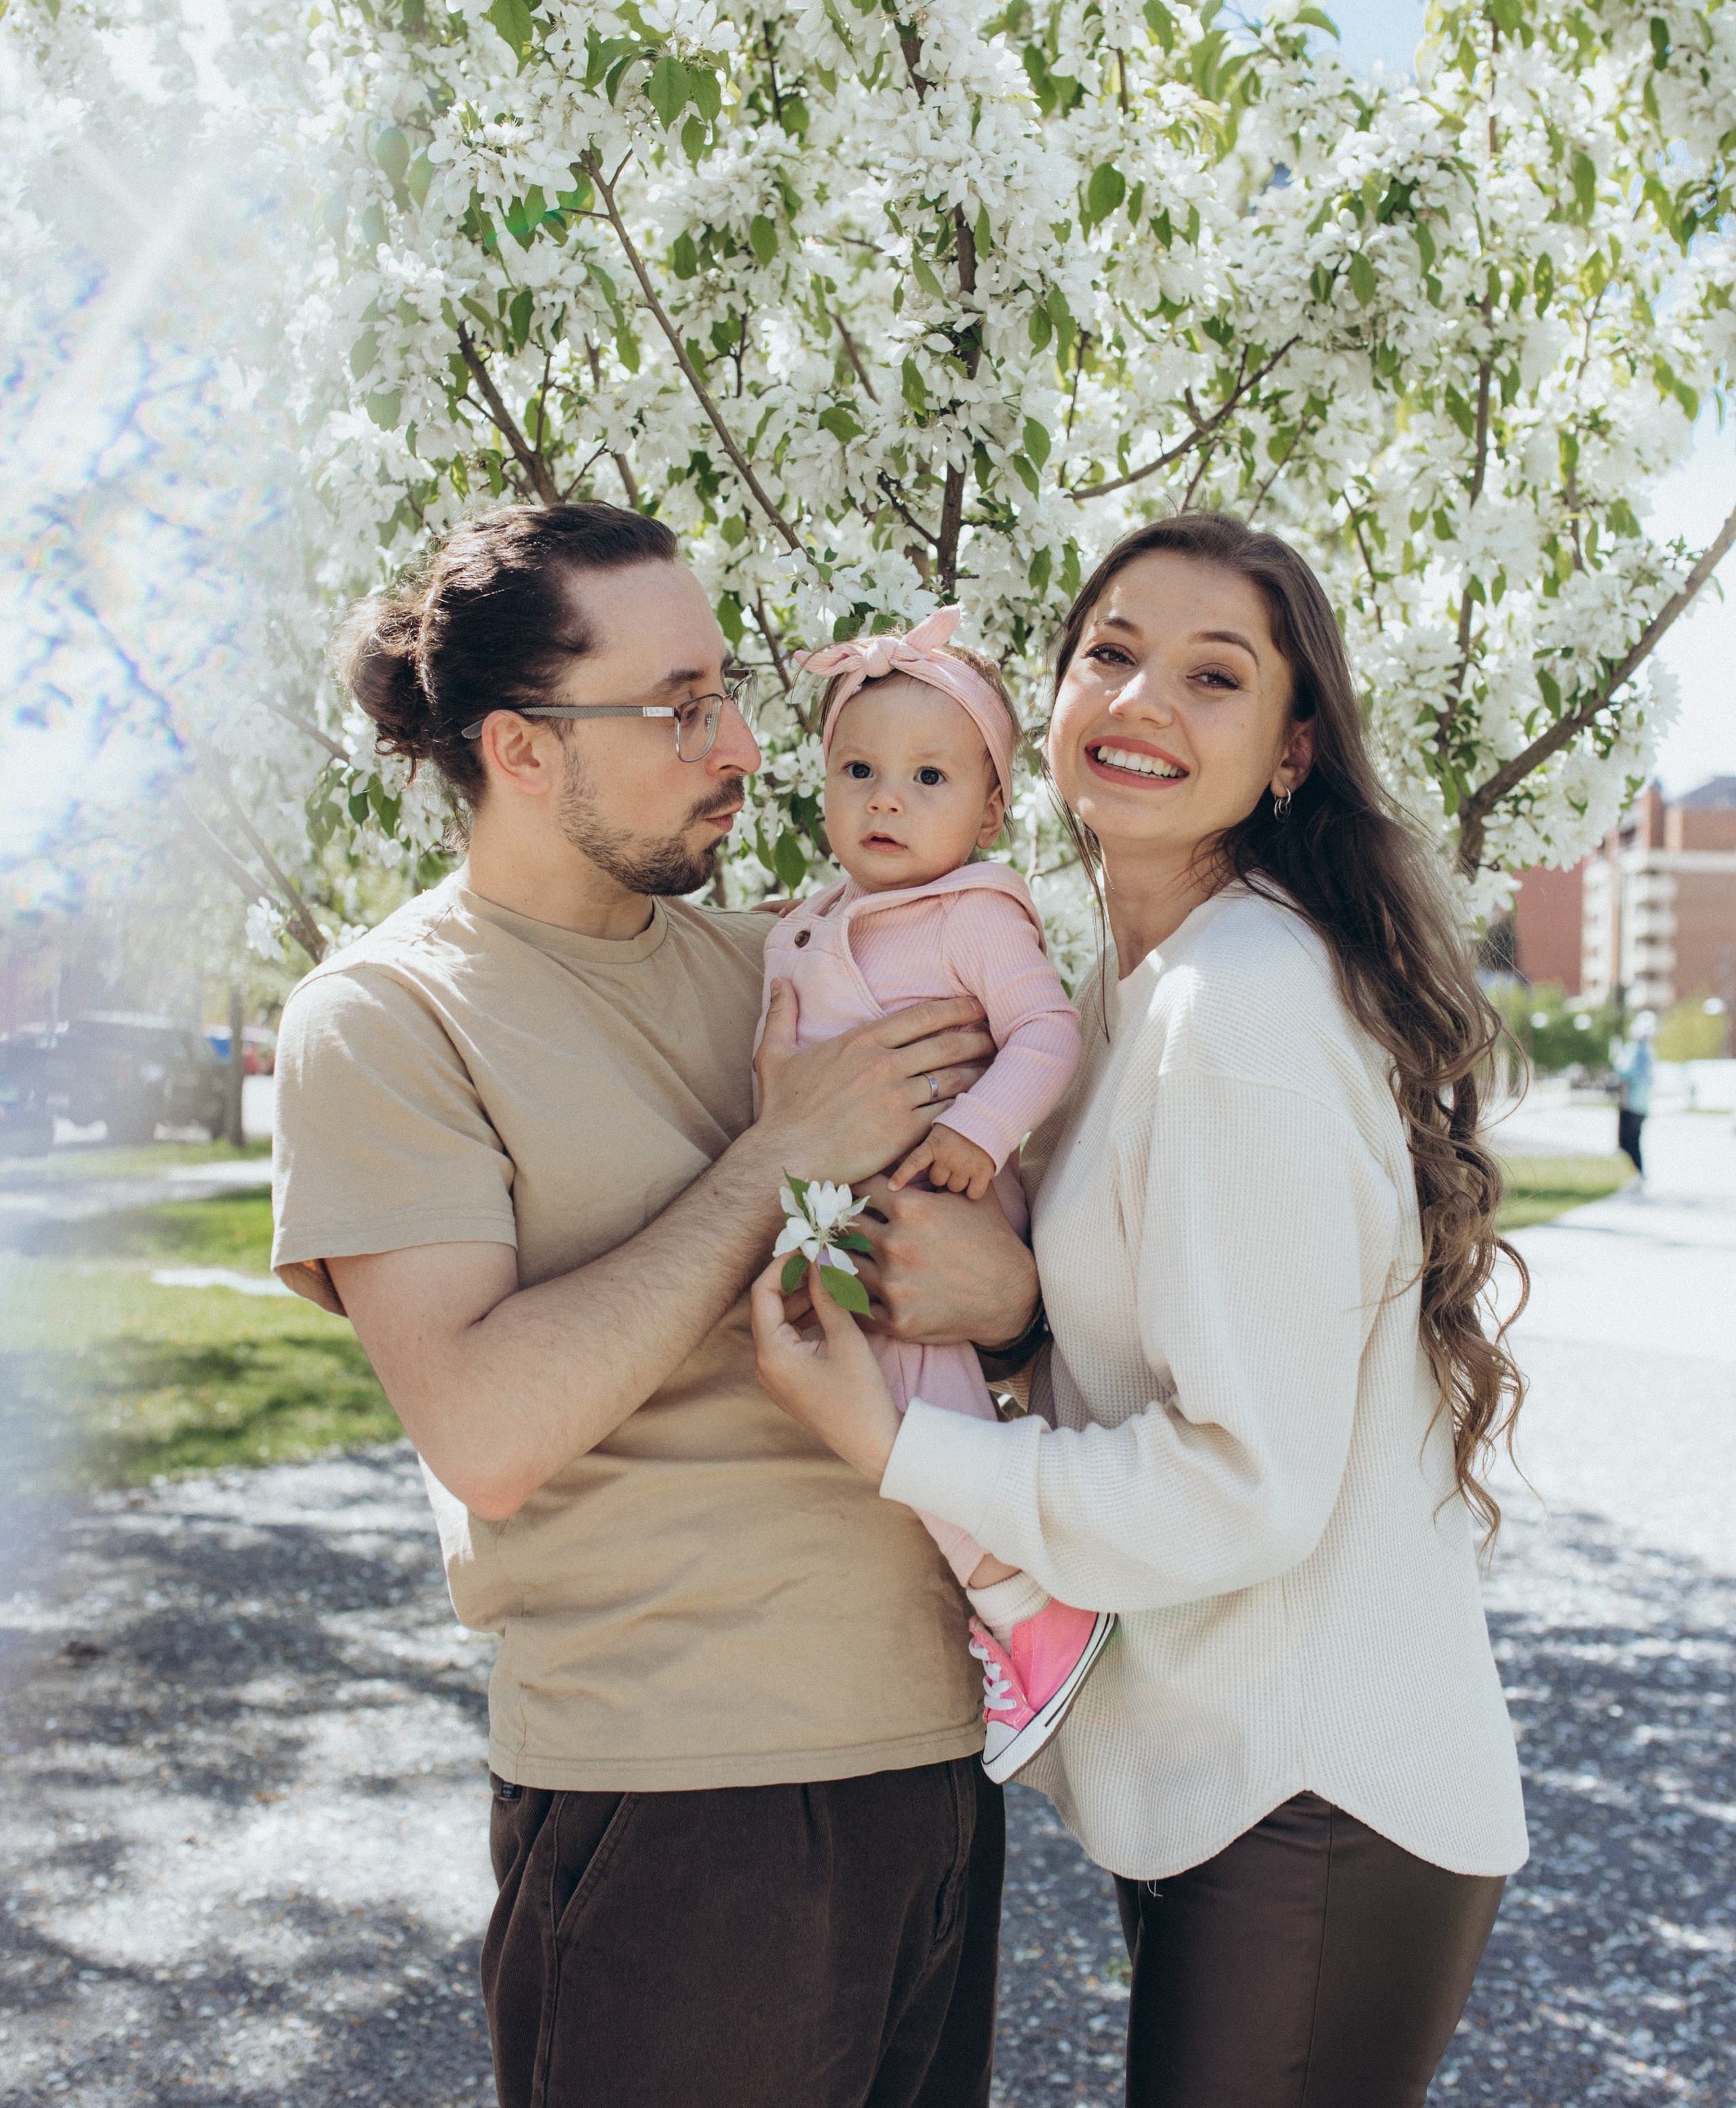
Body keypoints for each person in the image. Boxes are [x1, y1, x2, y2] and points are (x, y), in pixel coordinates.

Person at [753, 510, 1531, 2108]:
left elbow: (1243, 1476)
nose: (1140, 701)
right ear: (1040, 704)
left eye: (1210, 674)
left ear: (1291, 747)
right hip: (1227, 1775)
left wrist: (889, 1440)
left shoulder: (1233, 1005)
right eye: (1108, 653)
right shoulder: (1120, 988)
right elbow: (1174, 1333)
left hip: (1314, 1794)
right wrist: (1021, 1325)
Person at [268, 502, 1038, 2108]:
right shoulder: (387, 1018)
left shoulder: (793, 965)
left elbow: (985, 1243)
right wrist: (774, 1154)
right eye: (678, 703)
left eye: (729, 693)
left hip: (929, 1764)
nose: (746, 744)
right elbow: (482, 1429)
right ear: (523, 750)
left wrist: (1012, 1312)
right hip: (678, 1805)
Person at [762, 603, 1110, 1783]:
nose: (886, 800)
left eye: (926, 775)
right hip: (851, 1214)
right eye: (857, 770)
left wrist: (979, 1125)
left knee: (917, 1404)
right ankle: (1008, 1595)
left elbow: (1047, 1033)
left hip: (941, 1206)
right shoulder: (816, 915)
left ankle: (1027, 1602)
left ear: (991, 807)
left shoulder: (975, 913)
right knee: (873, 1394)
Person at [1615, 1008, 1656, 1189]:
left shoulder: (1634, 1050)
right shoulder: (1649, 1052)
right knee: (1633, 1140)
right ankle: (1638, 1174)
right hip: (1642, 1105)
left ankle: (1638, 1174)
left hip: (1631, 1103)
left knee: (1627, 1141)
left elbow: (1625, 1074)